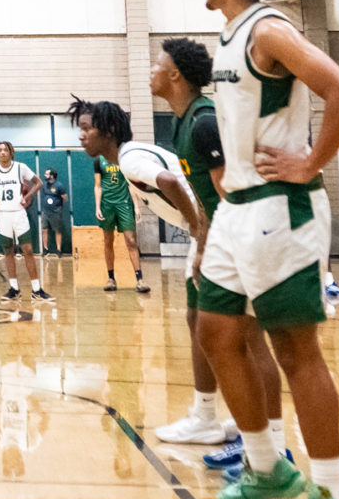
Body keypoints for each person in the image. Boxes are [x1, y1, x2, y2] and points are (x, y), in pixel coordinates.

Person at [194, 0, 339, 499]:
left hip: (278, 207)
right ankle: (266, 468)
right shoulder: (230, 34)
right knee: (216, 333)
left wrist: (312, 161)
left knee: (295, 352)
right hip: (237, 210)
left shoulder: (269, 30)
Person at [150, 35, 283, 459]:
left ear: (175, 74)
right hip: (221, 234)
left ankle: (273, 448)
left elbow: (232, 194)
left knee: (249, 338)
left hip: (246, 233)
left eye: (157, 64)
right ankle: (218, 422)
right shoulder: (182, 120)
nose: (151, 70)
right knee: (206, 326)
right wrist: (202, 239)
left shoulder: (204, 121)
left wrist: (211, 245)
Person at [75, 99, 146, 293]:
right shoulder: (99, 160)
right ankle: (111, 278)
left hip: (123, 203)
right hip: (107, 203)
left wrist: (136, 206)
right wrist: (98, 206)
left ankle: (139, 279)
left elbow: (131, 184)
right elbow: (97, 186)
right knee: (108, 241)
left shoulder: (123, 157)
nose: (82, 135)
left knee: (131, 241)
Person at [0, 140, 47, 302]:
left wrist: (27, 196)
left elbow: (38, 183)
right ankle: (14, 289)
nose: (3, 152)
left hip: (19, 214)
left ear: (11, 152)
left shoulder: (20, 167)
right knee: (8, 251)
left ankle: (37, 290)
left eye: (6, 150)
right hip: (2, 215)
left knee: (28, 250)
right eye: (0, 150)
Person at [38, 169, 71, 257]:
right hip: (45, 212)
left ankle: (59, 250)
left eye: (47, 174)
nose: (45, 175)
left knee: (57, 231)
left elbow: (65, 198)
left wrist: (58, 207)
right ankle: (45, 249)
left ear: (52, 176)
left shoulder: (59, 186)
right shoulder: (45, 185)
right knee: (44, 230)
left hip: (56, 212)